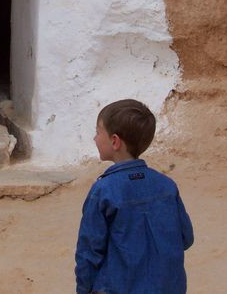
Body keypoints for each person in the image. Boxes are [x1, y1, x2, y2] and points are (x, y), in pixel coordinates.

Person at [75, 99, 194, 294]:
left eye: (97, 132)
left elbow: (88, 253)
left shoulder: (103, 191)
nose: (94, 138)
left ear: (114, 141)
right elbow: (186, 238)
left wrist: (84, 290)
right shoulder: (167, 186)